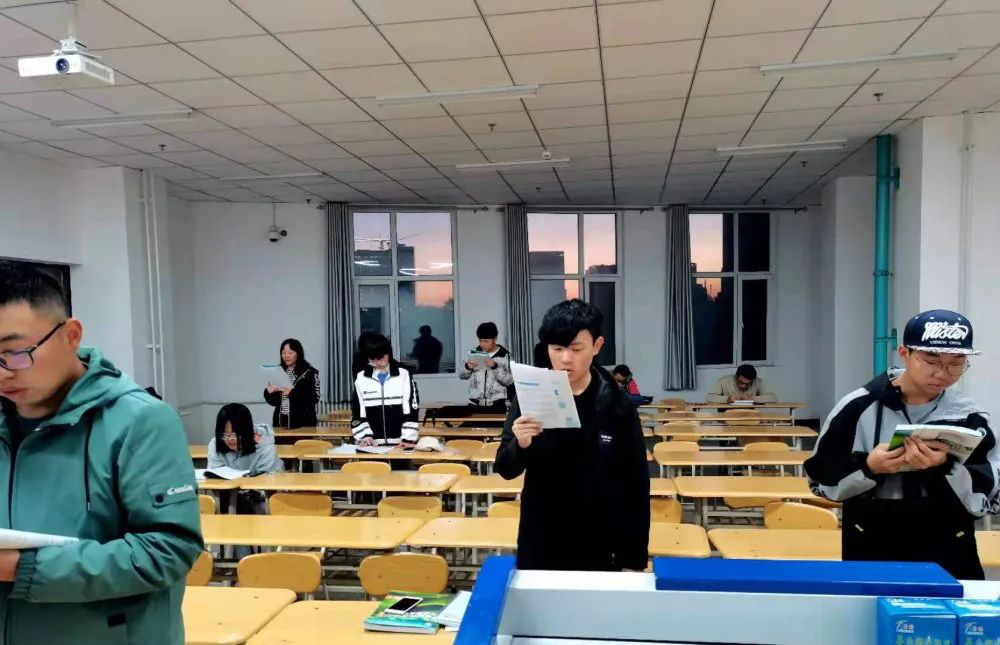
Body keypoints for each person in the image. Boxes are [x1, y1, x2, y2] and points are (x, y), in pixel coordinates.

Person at [0, 261, 203, 643]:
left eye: (14, 352)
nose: (3, 373)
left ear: (71, 335)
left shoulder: (140, 422)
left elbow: (168, 551)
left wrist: (21, 567)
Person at [805, 309, 1000, 580]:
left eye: (956, 363)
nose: (943, 373)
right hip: (871, 542)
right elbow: (819, 481)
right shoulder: (857, 408)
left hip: (949, 545)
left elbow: (990, 496)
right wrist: (868, 467)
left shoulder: (970, 417)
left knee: (949, 605)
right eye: (931, 361)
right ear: (904, 353)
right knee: (872, 605)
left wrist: (945, 467)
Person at [495, 299, 649, 571]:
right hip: (541, 536)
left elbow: (635, 485)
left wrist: (633, 560)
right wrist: (521, 444)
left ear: (597, 346)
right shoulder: (531, 397)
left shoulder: (617, 405)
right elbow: (506, 468)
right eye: (557, 348)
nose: (566, 358)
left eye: (576, 349)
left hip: (600, 539)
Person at [351, 333, 419, 450]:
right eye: (372, 359)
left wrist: (408, 438)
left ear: (388, 353)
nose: (377, 362)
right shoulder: (361, 378)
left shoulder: (403, 375)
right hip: (372, 444)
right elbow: (358, 411)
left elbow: (411, 408)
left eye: (381, 358)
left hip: (400, 443)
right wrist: (365, 436)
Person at [263, 338, 320, 429]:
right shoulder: (277, 372)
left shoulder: (310, 372)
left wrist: (292, 392)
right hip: (280, 423)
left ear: (298, 353)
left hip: (303, 423)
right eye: (283, 353)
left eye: (290, 353)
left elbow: (314, 398)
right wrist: (268, 393)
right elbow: (273, 402)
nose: (286, 356)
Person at [459, 322, 514, 413]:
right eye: (480, 340)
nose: (482, 344)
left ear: (494, 339)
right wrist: (467, 367)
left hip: (497, 406)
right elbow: (461, 375)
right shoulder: (474, 352)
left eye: (486, 341)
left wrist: (495, 367)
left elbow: (509, 381)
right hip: (475, 405)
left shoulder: (505, 355)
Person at [706, 364, 776, 403]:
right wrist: (728, 399)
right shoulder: (723, 381)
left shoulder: (758, 382)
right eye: (741, 382)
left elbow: (773, 398)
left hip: (750, 415)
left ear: (753, 380)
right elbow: (709, 398)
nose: (744, 386)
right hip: (726, 414)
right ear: (736, 377)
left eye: (748, 384)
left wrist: (753, 398)